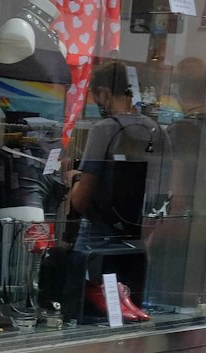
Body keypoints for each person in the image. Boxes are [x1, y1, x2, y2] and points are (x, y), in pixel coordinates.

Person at [66, 60, 163, 323]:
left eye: (96, 96)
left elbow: (82, 198)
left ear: (105, 93)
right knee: (131, 321)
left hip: (99, 245)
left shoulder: (104, 130)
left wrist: (72, 181)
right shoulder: (155, 130)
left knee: (94, 322)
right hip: (137, 243)